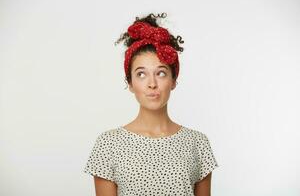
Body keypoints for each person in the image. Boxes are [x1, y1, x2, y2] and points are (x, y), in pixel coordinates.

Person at [83, 12, 219, 196]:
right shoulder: (108, 144)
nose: (152, 83)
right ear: (130, 83)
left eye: (161, 73)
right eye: (141, 74)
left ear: (173, 80)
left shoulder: (198, 143)